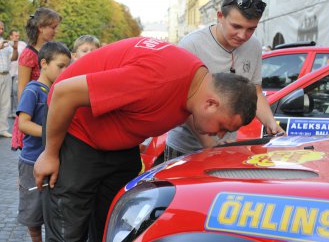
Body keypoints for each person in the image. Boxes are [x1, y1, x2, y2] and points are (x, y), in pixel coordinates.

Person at [33, 37, 258, 241]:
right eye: (222, 128)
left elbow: (187, 110)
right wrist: (50, 153)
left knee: (115, 226)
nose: (219, 135)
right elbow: (64, 92)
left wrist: (213, 149)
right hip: (78, 135)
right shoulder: (154, 80)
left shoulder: (199, 87)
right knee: (68, 228)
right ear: (211, 103)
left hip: (120, 146)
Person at [165, 0, 284, 160]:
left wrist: (271, 124)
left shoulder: (254, 46)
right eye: (236, 26)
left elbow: (255, 92)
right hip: (186, 149)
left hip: (225, 147)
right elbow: (183, 102)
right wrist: (208, 142)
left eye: (251, 29)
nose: (242, 35)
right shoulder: (191, 45)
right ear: (220, 16)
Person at [17, 41, 70, 242]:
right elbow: (23, 124)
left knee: (52, 211)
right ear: (44, 64)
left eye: (68, 66)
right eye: (60, 66)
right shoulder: (33, 90)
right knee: (33, 213)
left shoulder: (59, 91)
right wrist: (51, 133)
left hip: (53, 160)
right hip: (31, 161)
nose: (65, 70)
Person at [11, 7, 61, 151]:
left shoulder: (49, 51)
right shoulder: (28, 54)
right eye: (53, 27)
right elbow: (22, 87)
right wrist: (25, 117)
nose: (56, 31)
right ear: (40, 28)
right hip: (33, 110)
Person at [0, 21, 19, 138]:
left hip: (6, 74)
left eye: (2, 28)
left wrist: (15, 49)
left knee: (5, 103)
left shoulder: (6, 43)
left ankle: (3, 129)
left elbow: (14, 58)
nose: (1, 30)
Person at [9, 29, 27, 117]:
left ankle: (15, 110)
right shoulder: (7, 44)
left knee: (15, 91)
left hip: (18, 71)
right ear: (11, 36)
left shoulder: (23, 44)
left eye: (18, 36)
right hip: (9, 71)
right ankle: (9, 110)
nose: (17, 37)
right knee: (10, 93)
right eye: (15, 35)